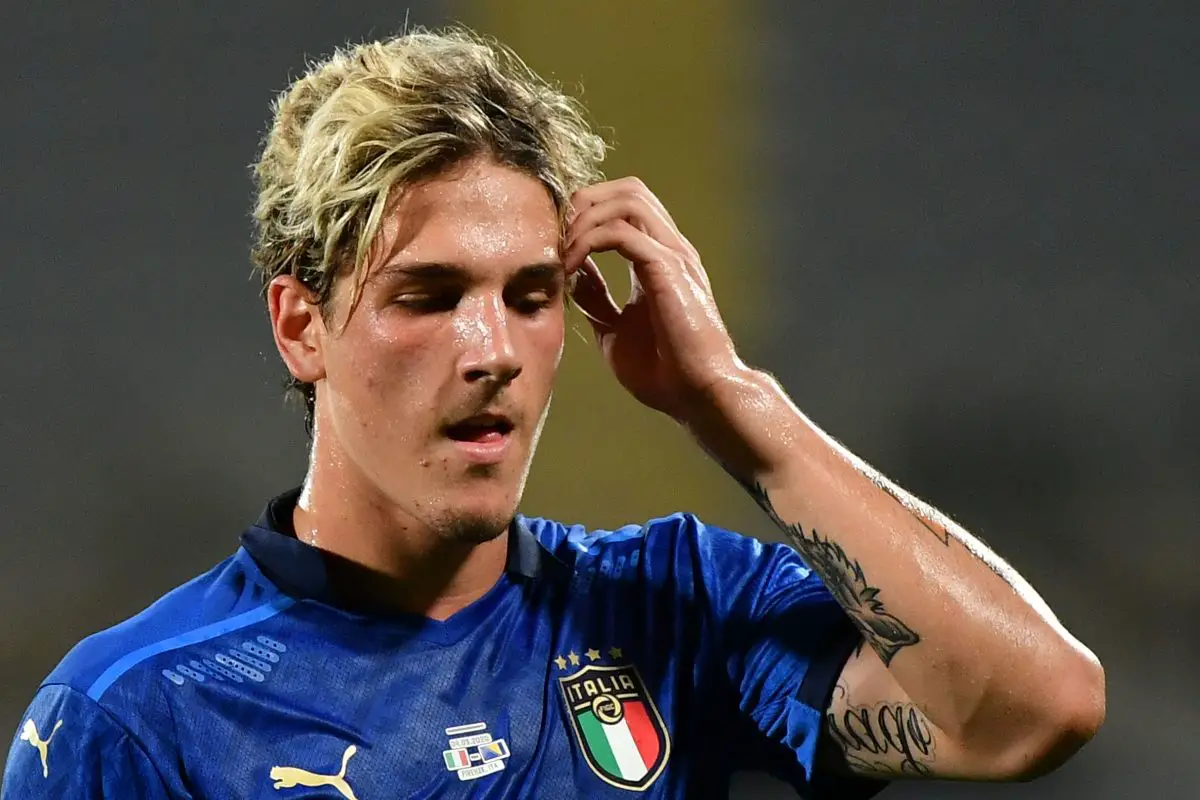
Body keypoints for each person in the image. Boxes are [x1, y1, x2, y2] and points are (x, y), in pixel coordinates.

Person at [2, 27, 1104, 799]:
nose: (493, 352)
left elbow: (1035, 706)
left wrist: (730, 401)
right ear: (301, 327)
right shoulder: (131, 712)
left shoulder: (673, 608)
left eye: (531, 296)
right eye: (427, 296)